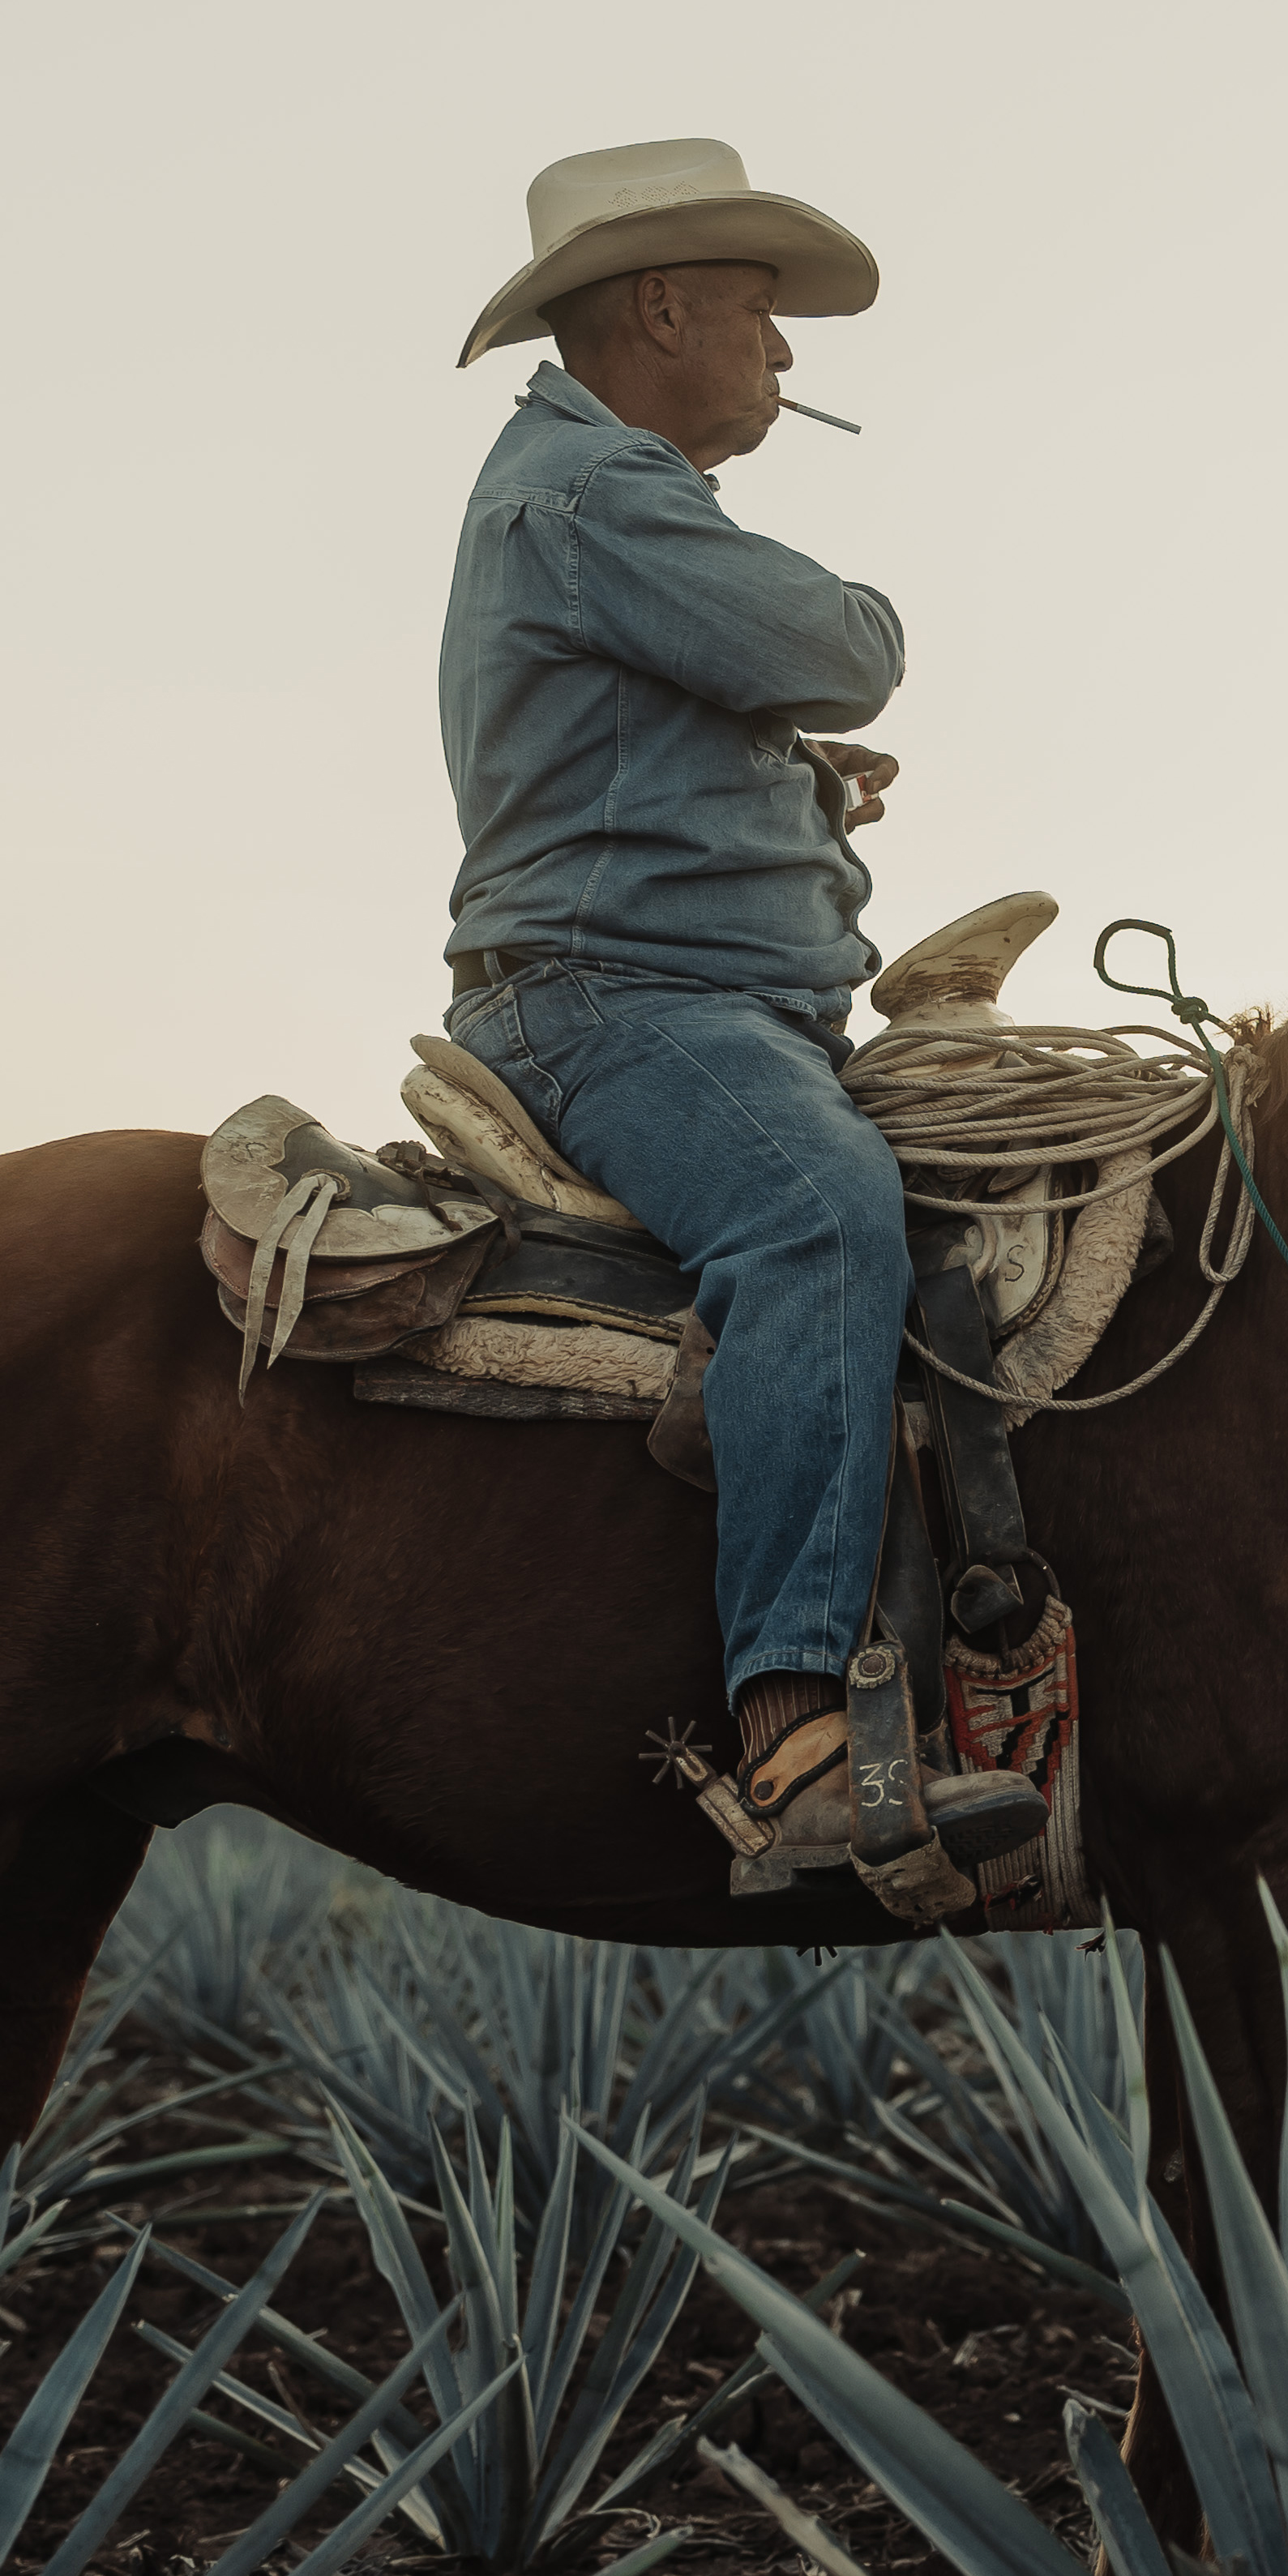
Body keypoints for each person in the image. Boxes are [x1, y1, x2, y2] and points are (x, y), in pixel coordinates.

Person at [432, 138, 1040, 1876]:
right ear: (662, 305)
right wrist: (834, 659)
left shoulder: (593, 497)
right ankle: (788, 1738)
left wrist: (780, 781)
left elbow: (640, 743)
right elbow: (843, 640)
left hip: (697, 991)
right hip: (616, 1002)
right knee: (815, 1215)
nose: (785, 356)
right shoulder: (595, 493)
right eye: (763, 318)